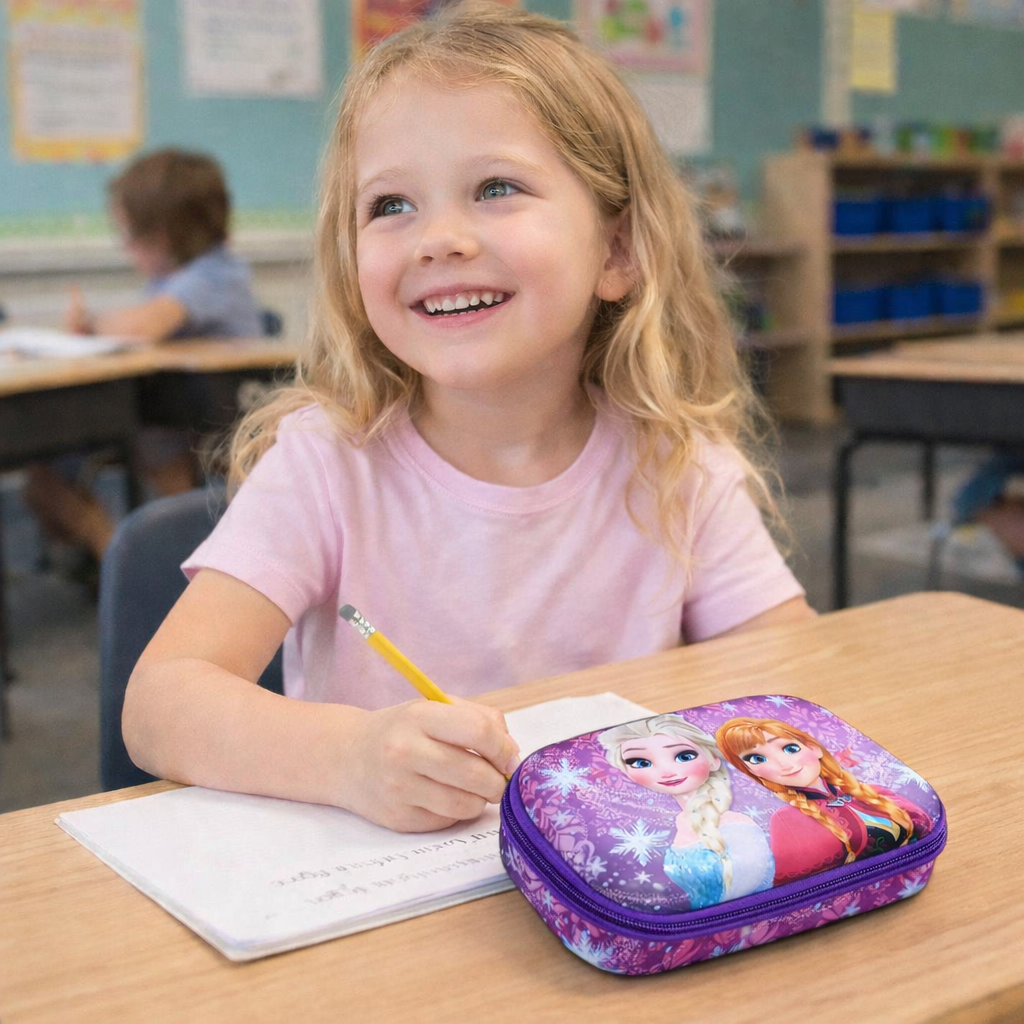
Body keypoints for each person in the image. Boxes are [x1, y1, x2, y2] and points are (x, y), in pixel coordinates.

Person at [123, 2, 815, 835]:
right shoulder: (326, 464)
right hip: (389, 892)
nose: (438, 239)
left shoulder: (678, 466)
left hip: (625, 877)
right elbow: (158, 704)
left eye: (496, 188)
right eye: (389, 205)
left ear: (618, 250)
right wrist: (347, 757)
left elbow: (796, 680)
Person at [23, 148, 262, 561]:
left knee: (132, 450)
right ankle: (118, 552)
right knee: (42, 480)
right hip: (171, 419)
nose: (126, 248)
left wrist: (93, 323)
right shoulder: (170, 280)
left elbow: (144, 327)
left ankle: (123, 555)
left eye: (128, 236)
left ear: (160, 238)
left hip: (217, 420)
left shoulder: (217, 272)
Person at [715, 718, 932, 886]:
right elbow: (796, 888)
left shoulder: (872, 792)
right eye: (757, 759)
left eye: (790, 749)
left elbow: (925, 826)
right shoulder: (787, 820)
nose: (784, 764)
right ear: (753, 773)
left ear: (814, 748)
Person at [599, 715, 774, 908]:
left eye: (684, 756)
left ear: (715, 761)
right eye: (641, 763)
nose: (666, 771)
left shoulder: (736, 824)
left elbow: (752, 885)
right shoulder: (680, 822)